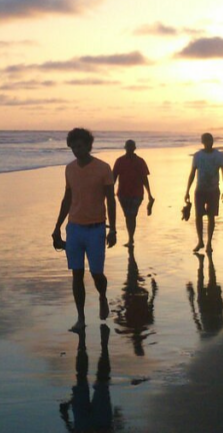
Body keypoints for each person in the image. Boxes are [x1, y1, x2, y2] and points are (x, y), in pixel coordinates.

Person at [52, 128, 118, 332]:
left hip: (96, 228)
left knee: (97, 274)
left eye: (79, 146)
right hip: (74, 229)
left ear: (88, 146)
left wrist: (113, 229)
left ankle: (102, 296)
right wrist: (57, 228)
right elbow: (67, 199)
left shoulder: (103, 168)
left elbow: (110, 199)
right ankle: (80, 318)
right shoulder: (69, 169)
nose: (76, 151)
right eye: (73, 147)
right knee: (77, 274)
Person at [184, 133, 223, 253]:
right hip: (200, 189)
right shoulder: (198, 156)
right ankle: (200, 241)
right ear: (202, 142)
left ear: (212, 141)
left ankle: (208, 243)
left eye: (210, 140)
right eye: (206, 140)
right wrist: (187, 190)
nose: (208, 142)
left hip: (213, 190)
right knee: (198, 216)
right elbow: (192, 173)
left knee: (211, 216)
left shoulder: (218, 155)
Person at [111, 139, 155, 248]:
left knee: (132, 216)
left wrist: (149, 194)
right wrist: (109, 192)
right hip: (123, 193)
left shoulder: (140, 161)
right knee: (128, 216)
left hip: (137, 194)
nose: (130, 149)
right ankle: (130, 237)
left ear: (134, 148)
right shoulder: (119, 161)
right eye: (128, 147)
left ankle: (130, 238)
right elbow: (113, 178)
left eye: (131, 147)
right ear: (125, 148)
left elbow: (145, 179)